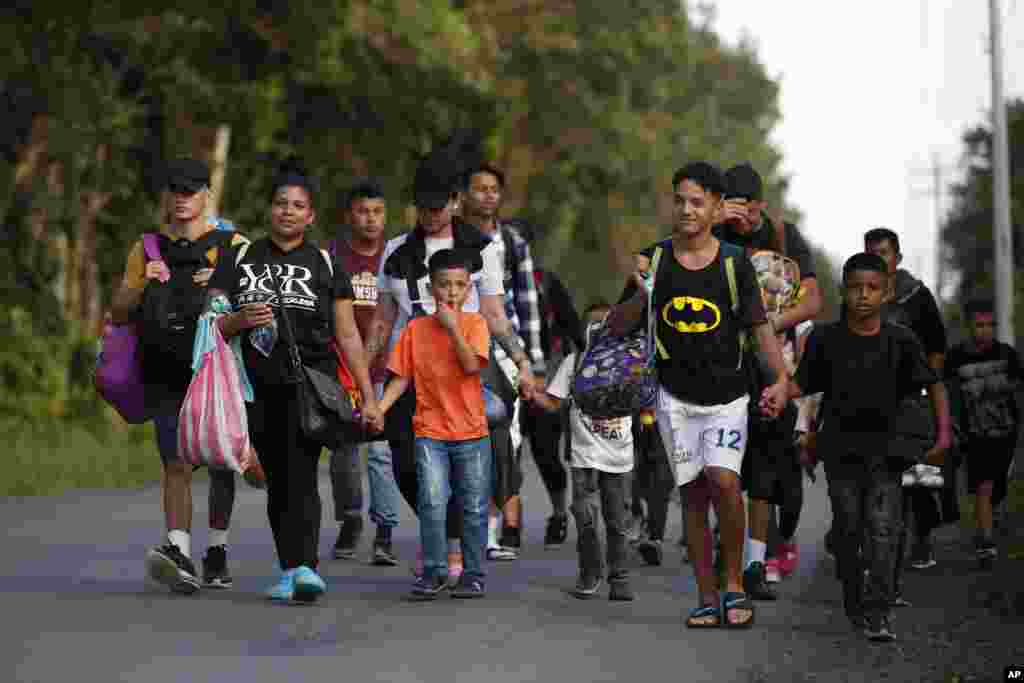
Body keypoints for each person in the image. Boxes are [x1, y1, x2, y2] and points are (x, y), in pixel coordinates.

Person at [609, 161, 789, 629]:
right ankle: (706, 596)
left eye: (697, 202)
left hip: (728, 398)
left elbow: (759, 328)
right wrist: (641, 291)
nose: (686, 210)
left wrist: (782, 380)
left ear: (715, 208)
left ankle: (733, 584)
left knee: (725, 482)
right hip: (674, 400)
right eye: (680, 200)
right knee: (692, 494)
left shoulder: (734, 263)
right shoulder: (656, 259)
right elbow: (617, 324)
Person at [364, 143, 537, 582]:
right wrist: (364, 376)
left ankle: (451, 544)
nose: (431, 215)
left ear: (456, 202)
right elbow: (383, 322)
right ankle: (440, 534)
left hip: (462, 375)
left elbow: (496, 314)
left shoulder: (482, 249)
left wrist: (522, 362)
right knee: (406, 463)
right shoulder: (397, 251)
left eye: (439, 206)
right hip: (410, 373)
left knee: (464, 465)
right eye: (423, 206)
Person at [210, 158, 379, 603]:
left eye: (297, 205)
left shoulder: (324, 263)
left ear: (311, 215)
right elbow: (210, 322)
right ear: (270, 210)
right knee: (279, 479)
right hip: (252, 385)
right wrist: (237, 319)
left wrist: (368, 393)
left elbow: (347, 332)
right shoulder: (241, 258)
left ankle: (304, 567)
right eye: (281, 203)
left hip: (309, 387)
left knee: (300, 473)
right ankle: (292, 568)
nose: (288, 211)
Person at [791, 252, 951, 642]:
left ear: (886, 293)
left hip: (889, 451)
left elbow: (933, 385)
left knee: (883, 529)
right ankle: (853, 595)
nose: (863, 295)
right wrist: (802, 430)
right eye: (855, 288)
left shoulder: (901, 340)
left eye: (872, 288)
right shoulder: (826, 338)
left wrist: (943, 436)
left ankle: (878, 611)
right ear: (843, 291)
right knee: (847, 530)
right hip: (841, 450)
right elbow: (805, 389)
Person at [111, 158, 246, 594]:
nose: (183, 198)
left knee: (224, 462)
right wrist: (140, 285)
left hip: (216, 370)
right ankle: (179, 551)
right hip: (165, 368)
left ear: (207, 194)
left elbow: (255, 300)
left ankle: (218, 549)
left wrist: (221, 285)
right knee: (175, 461)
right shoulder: (146, 247)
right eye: (176, 190)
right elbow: (118, 311)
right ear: (167, 196)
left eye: (191, 190)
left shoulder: (232, 244)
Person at [714, 163, 823, 601]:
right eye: (731, 202)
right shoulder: (711, 234)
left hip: (770, 365)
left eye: (745, 202)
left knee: (764, 468)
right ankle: (729, 553)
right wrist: (715, 226)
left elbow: (813, 299)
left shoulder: (783, 236)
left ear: (760, 203)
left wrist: (768, 322)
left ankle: (756, 562)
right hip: (718, 366)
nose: (740, 210)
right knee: (722, 467)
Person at [374, 248, 492, 600]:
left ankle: (472, 573)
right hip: (429, 431)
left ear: (469, 289)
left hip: (471, 432)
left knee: (472, 505)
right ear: (431, 288)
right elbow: (400, 378)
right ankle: (434, 570)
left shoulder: (475, 324)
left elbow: (472, 366)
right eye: (444, 285)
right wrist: (379, 408)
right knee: (432, 502)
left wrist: (454, 330)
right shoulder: (415, 330)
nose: (452, 293)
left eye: (459, 285)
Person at [460, 162, 545, 559]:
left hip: (503, 353)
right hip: (457, 350)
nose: (488, 195)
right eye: (480, 188)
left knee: (503, 440)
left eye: (494, 189)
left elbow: (528, 304)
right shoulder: (449, 237)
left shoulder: (512, 243)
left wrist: (533, 362)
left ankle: (491, 529)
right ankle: (460, 528)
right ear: (463, 195)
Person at [864, 228, 950, 599]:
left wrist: (926, 382)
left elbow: (936, 346)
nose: (878, 259)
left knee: (919, 482)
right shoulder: (861, 293)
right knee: (876, 487)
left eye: (883, 253)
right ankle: (876, 562)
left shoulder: (916, 295)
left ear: (896, 257)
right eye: (871, 252)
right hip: (868, 402)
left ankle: (922, 536)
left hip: (913, 399)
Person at [531, 301, 636, 600]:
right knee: (585, 516)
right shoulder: (574, 363)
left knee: (617, 520)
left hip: (619, 458)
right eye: (593, 326)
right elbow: (553, 403)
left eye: (607, 325)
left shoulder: (629, 363)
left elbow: (645, 400)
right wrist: (529, 391)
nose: (601, 331)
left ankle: (620, 578)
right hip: (584, 456)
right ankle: (590, 572)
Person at [326, 180, 402, 566]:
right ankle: (351, 517)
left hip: (384, 370)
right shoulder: (331, 255)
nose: (370, 219)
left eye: (377, 212)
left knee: (380, 451)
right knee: (344, 452)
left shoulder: (396, 254)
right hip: (340, 369)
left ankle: (385, 531)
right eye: (362, 211)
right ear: (349, 215)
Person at [945, 298, 1021, 563]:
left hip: (1006, 433)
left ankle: (989, 525)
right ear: (970, 326)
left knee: (998, 487)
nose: (985, 330)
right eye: (979, 325)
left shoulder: (1008, 355)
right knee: (983, 486)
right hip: (974, 435)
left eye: (990, 325)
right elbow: (944, 392)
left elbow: (1017, 393)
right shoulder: (955, 357)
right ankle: (986, 542)